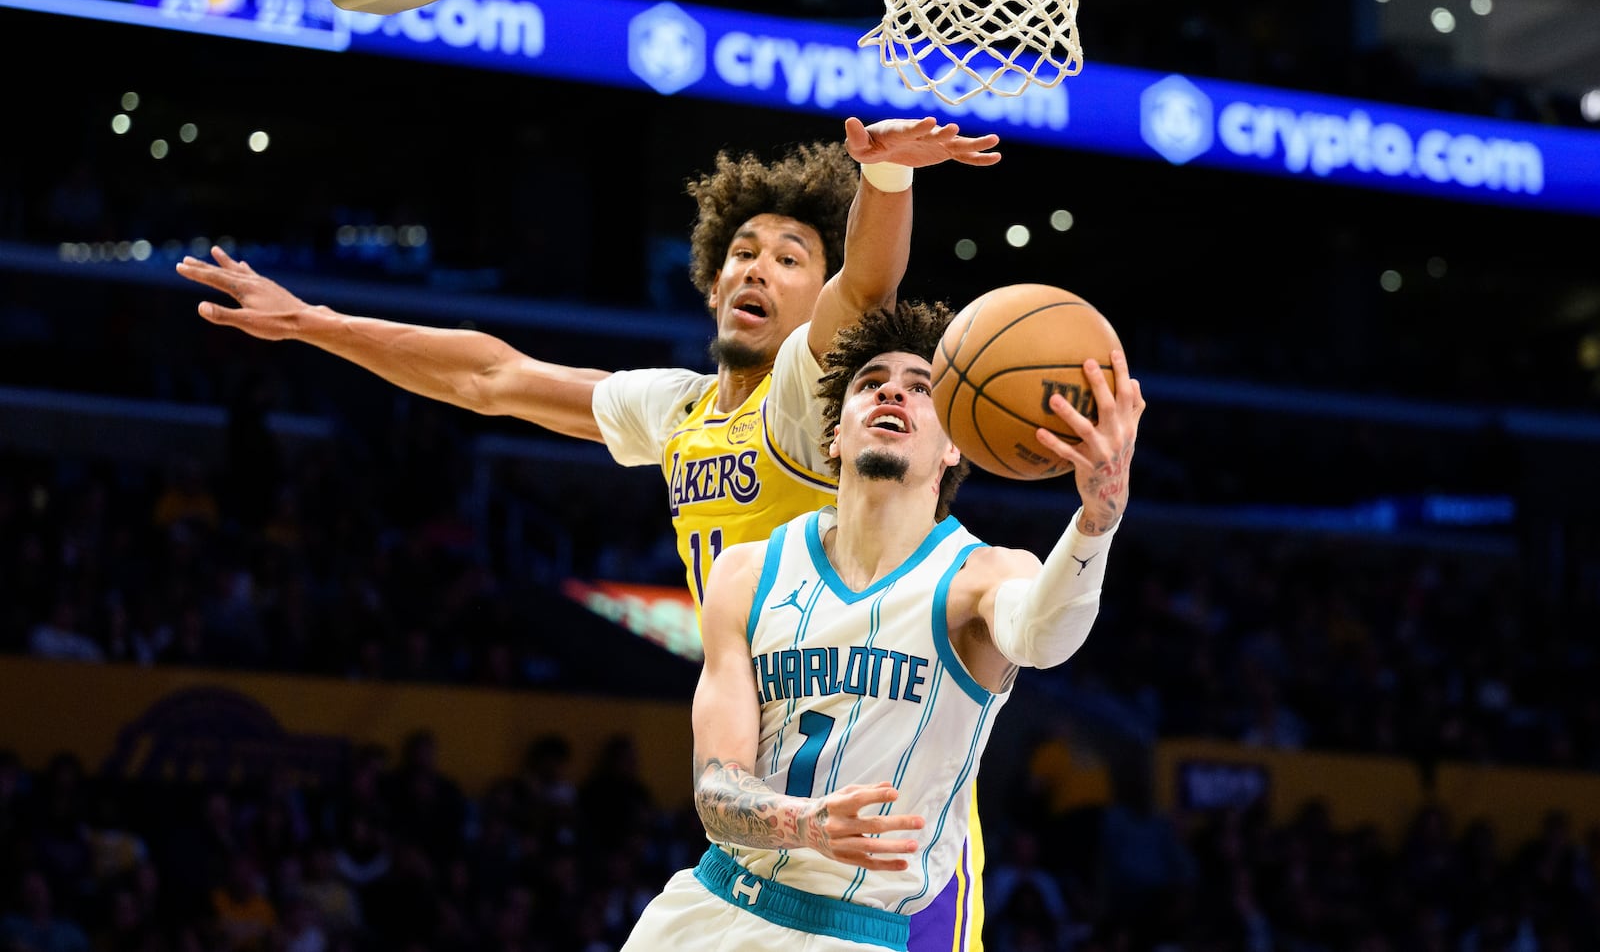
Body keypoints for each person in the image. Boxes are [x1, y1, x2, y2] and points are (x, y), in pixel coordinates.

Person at [176, 116, 1004, 952]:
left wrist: (886, 181)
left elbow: (865, 287)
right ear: (712, 283)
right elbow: (492, 375)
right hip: (772, 764)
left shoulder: (804, 395)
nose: (758, 265)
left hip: (893, 787)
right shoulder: (679, 410)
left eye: (792, 257)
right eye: (744, 251)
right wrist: (315, 322)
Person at [621, 300, 1143, 951]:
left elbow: (1045, 633)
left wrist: (1098, 518)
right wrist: (803, 822)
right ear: (833, 434)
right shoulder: (747, 573)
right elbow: (716, 792)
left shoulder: (980, 576)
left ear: (956, 442)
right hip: (709, 912)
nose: (892, 388)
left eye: (920, 387)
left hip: (856, 933)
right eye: (869, 382)